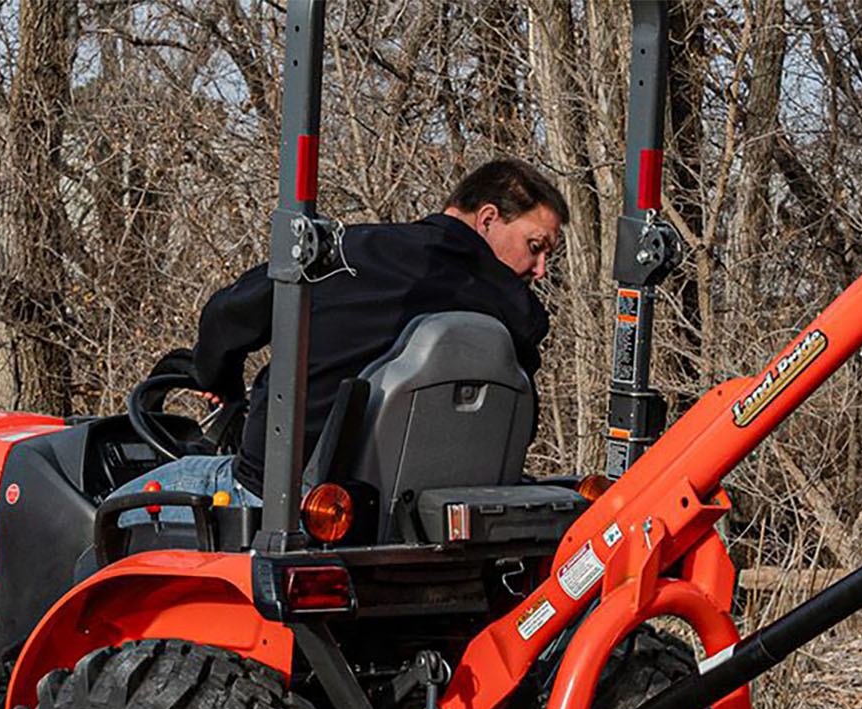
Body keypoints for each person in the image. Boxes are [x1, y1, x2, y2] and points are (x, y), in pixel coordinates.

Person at [117, 157, 567, 524]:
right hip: (411, 524)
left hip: (279, 501)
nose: (540, 269)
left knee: (103, 519)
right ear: (487, 218)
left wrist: (217, 376)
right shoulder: (515, 320)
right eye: (536, 246)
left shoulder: (351, 253)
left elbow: (226, 315)